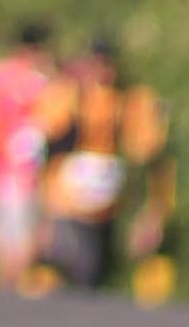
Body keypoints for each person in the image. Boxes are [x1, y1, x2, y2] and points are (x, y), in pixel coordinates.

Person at [37, 38, 169, 297]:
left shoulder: (130, 101)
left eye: (107, 65)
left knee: (96, 276)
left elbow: (151, 158)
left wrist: (153, 213)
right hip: (66, 205)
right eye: (95, 65)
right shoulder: (67, 97)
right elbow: (46, 148)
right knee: (70, 268)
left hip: (109, 208)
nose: (102, 73)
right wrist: (42, 214)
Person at [0, 23, 67, 291]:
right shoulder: (29, 78)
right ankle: (8, 292)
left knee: (17, 242)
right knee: (17, 244)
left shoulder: (0, 75)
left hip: (16, 172)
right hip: (16, 172)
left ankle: (7, 290)